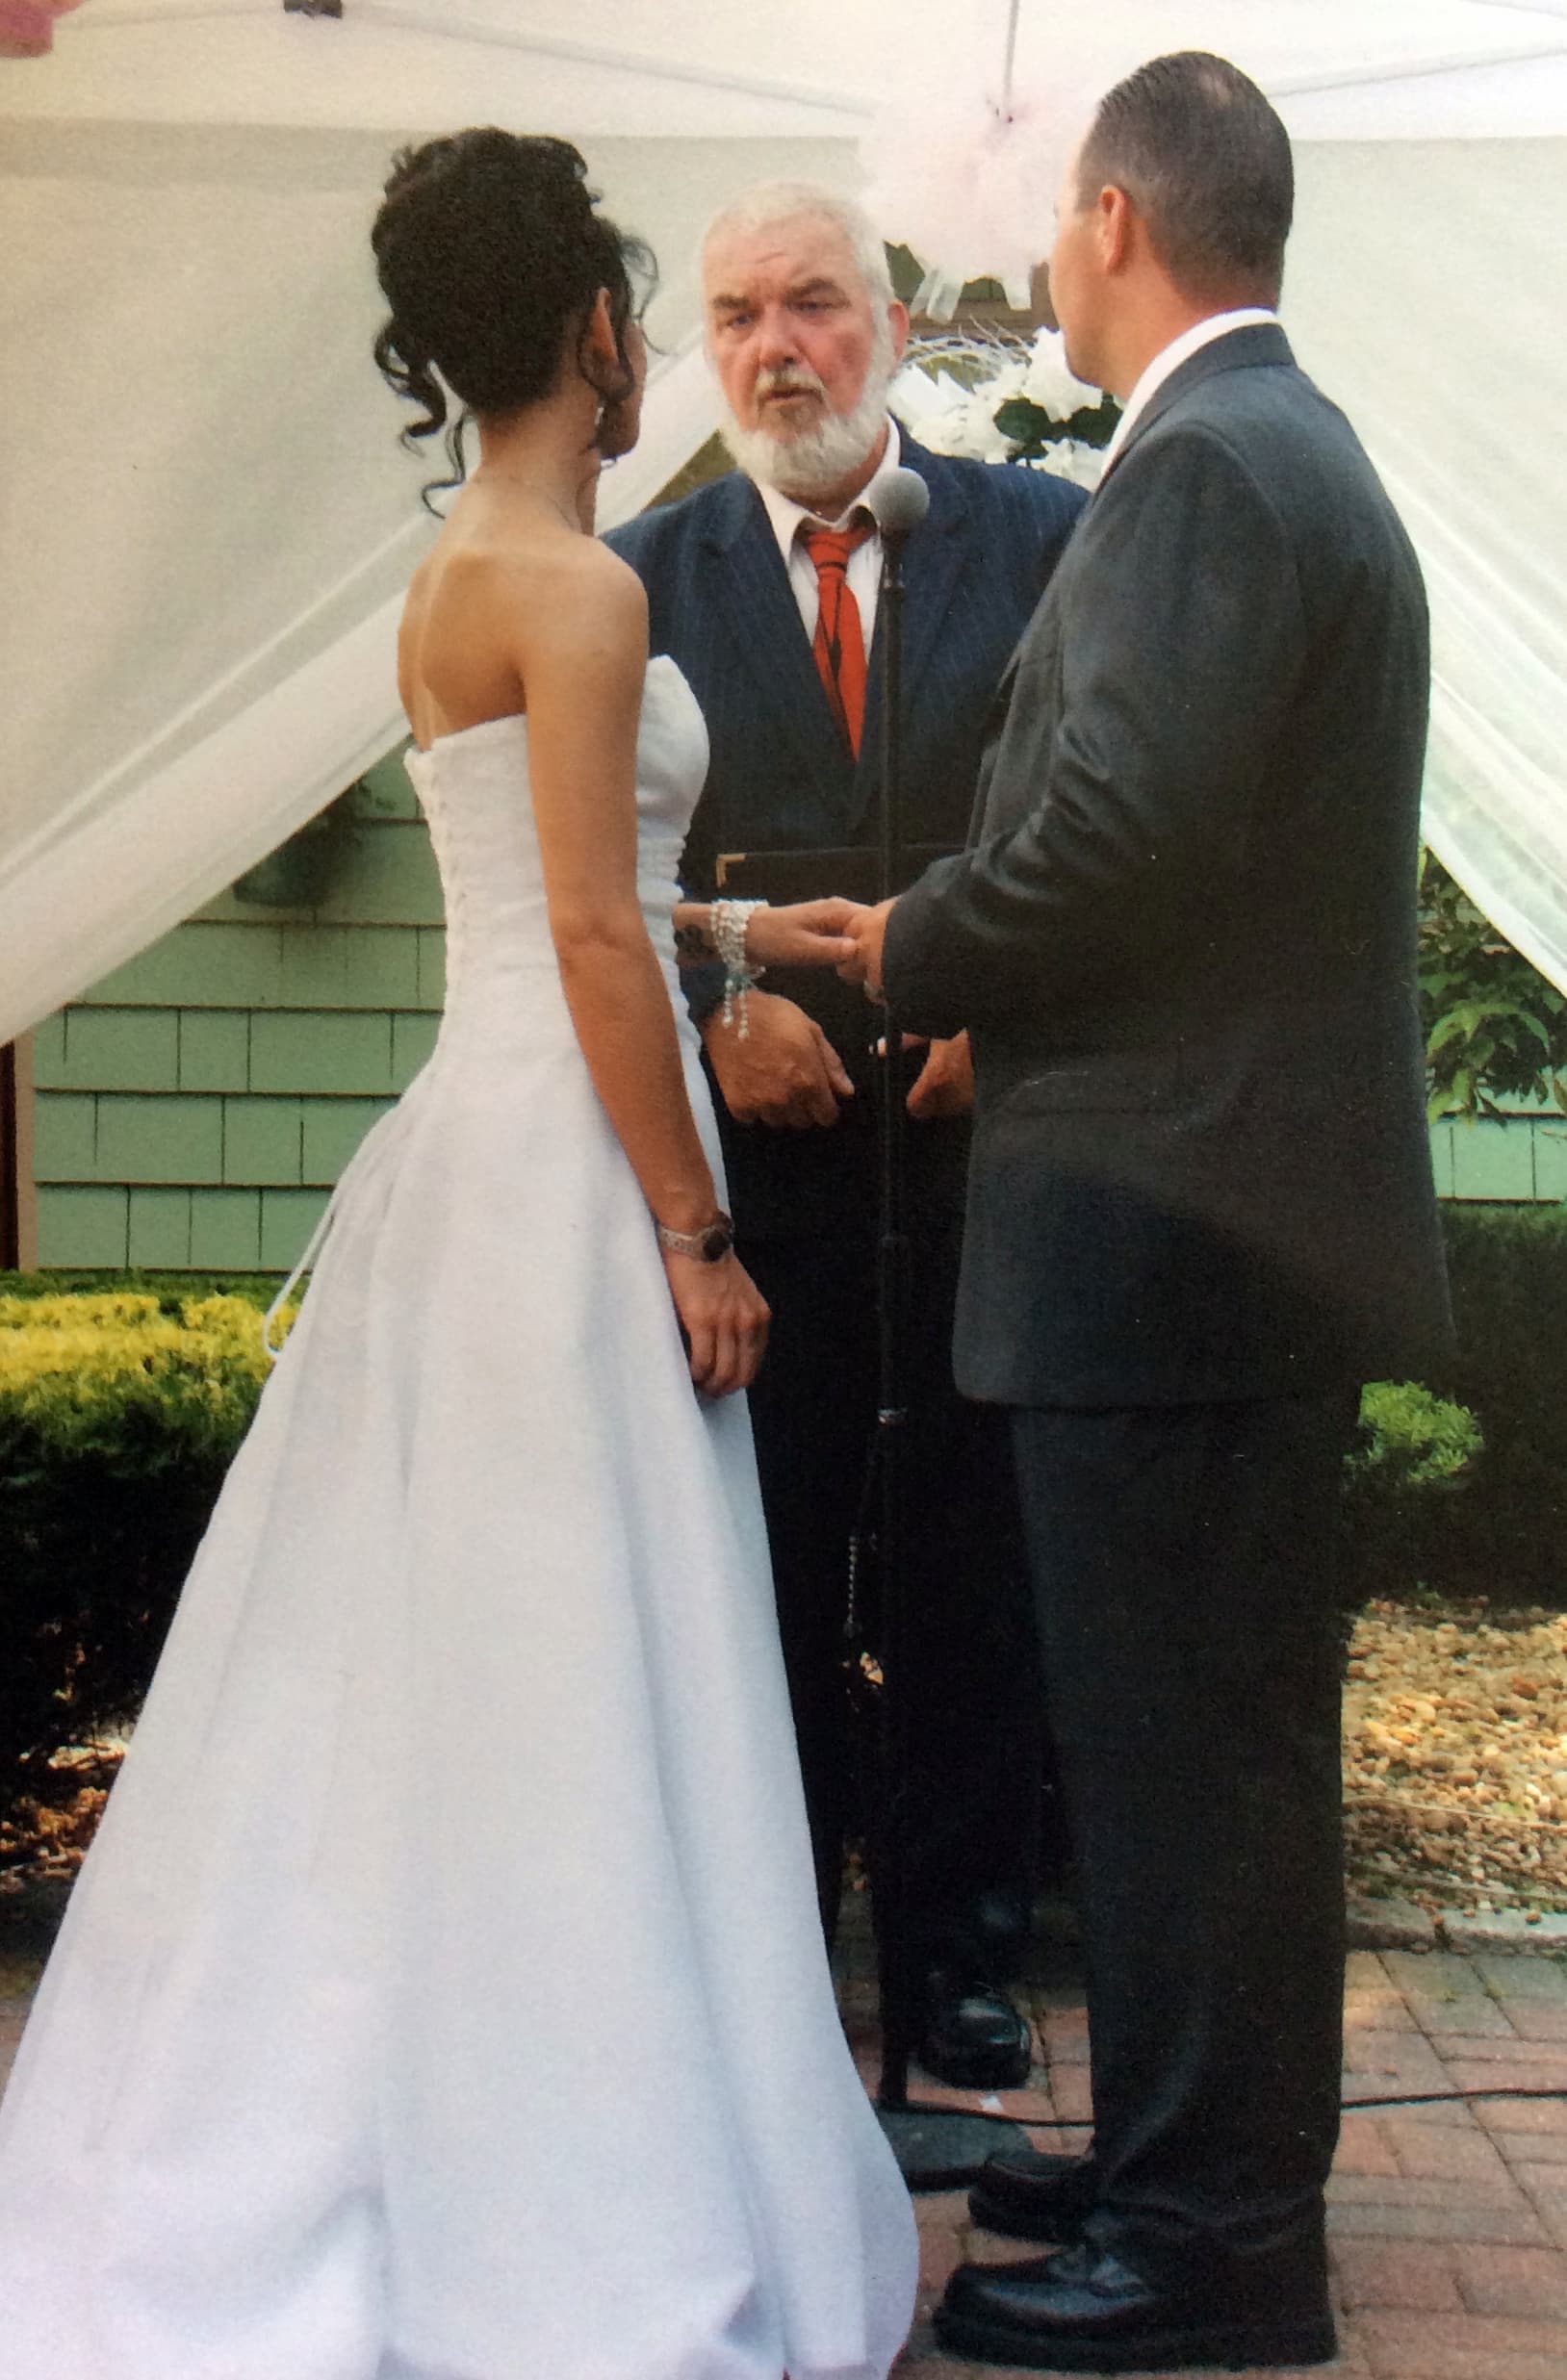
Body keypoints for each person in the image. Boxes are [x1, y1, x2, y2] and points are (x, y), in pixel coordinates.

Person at [0, 130, 917, 2380]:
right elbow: (586, 929)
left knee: (454, 1670)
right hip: (578, 1173)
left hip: (470, 1147)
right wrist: (693, 1228)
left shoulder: (462, 572)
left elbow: (556, 881)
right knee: (586, 1676)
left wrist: (736, 917)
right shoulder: (587, 589)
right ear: (602, 332)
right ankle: (577, 2181)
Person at [841, 52, 1451, 2376]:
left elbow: (1112, 840)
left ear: (1114, 218)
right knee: (1212, 1760)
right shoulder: (1272, 450)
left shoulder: (1206, 468)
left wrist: (909, 946)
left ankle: (1211, 2247)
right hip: (1224, 1240)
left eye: (1046, 226)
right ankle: (1206, 2162)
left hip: (1181, 1252)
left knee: (1190, 1773)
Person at [608, 184, 1086, 2089]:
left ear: (891, 323)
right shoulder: (637, 577)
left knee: (978, 1569)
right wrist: (718, 1023)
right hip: (760, 1192)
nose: (774, 347)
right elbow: (584, 892)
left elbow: (1106, 818)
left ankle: (964, 1954)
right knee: (771, 1569)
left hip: (988, 1169)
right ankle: (779, 1942)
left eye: (812, 304)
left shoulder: (1049, 541)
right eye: (735, 315)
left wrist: (1014, 1000)